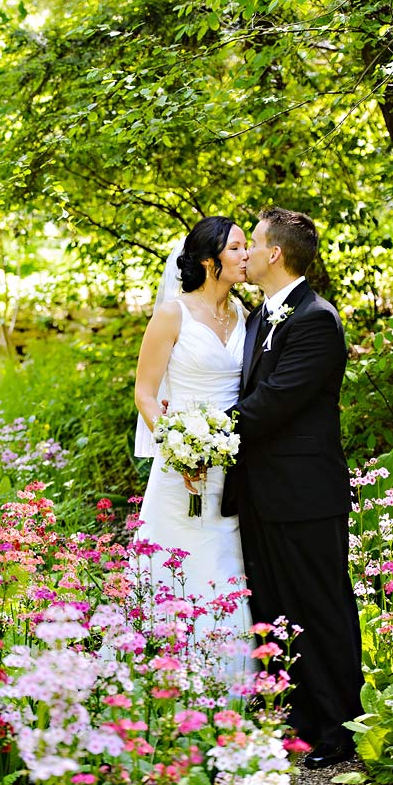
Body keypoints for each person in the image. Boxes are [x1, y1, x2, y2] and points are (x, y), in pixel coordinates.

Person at [221, 206, 364, 769]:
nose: (247, 252)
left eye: (252, 243)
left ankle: (341, 729)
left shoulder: (315, 319)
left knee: (320, 608)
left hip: (306, 496)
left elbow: (275, 401)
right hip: (259, 494)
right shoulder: (260, 317)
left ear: (274, 254)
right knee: (277, 609)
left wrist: (208, 430)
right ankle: (299, 725)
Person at [133, 215, 252, 657]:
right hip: (181, 462)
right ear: (208, 259)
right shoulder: (172, 313)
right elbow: (145, 393)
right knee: (175, 559)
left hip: (232, 460)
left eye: (246, 247)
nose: (247, 255)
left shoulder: (243, 313)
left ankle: (229, 678)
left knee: (224, 561)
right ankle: (162, 667)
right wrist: (179, 451)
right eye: (237, 248)